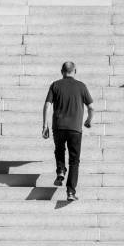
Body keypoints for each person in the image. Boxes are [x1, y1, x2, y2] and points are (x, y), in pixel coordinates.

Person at [42, 61, 94, 201]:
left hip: (58, 126)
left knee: (59, 150)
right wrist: (88, 120)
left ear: (62, 71)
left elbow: (47, 105)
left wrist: (45, 125)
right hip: (75, 129)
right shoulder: (81, 86)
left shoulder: (55, 85)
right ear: (75, 71)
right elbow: (91, 107)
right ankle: (70, 192)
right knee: (74, 161)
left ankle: (60, 170)